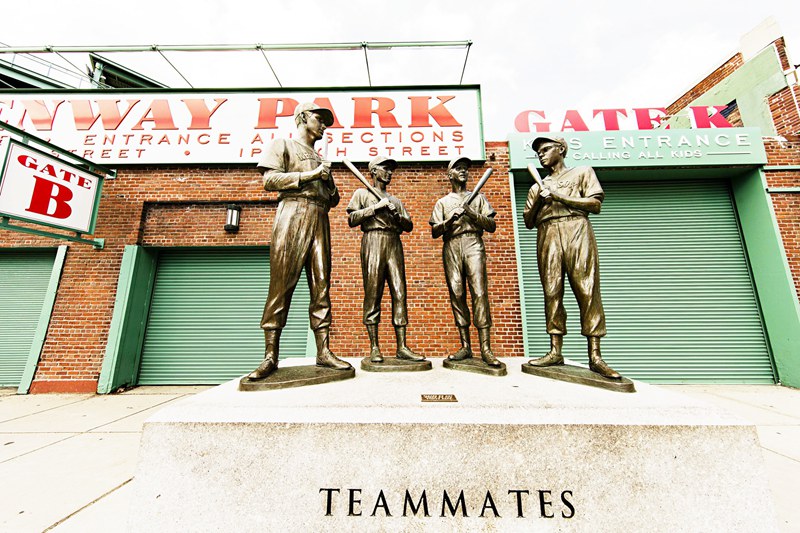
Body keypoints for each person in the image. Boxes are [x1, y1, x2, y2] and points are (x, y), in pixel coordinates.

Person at [248, 102, 352, 379]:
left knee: (322, 285)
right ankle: (270, 356)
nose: (323, 126)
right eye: (319, 119)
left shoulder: (320, 158)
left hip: (319, 215)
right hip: (292, 212)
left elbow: (334, 201)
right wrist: (312, 175)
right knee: (281, 285)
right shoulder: (282, 144)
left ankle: (324, 351)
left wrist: (328, 180)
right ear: (303, 118)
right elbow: (270, 181)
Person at [523, 136, 620, 379]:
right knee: (552, 292)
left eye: (546, 149)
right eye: (538, 153)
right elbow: (528, 221)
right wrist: (540, 200)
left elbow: (595, 205)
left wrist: (558, 197)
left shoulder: (582, 172)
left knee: (587, 290)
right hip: (548, 232)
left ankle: (595, 356)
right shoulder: (537, 186)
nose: (541, 155)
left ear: (561, 149)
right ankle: (555, 350)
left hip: (577, 228)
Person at [346, 155, 425, 363]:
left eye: (391, 170)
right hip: (373, 240)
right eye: (385, 169)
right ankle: (374, 347)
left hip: (393, 242)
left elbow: (409, 225)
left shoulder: (395, 200)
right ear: (373, 171)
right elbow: (352, 219)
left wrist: (397, 215)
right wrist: (376, 208)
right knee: (373, 293)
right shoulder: (361, 193)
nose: (389, 173)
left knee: (400, 292)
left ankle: (402, 346)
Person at [429, 156, 501, 368]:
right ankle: (465, 345)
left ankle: (486, 348)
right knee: (457, 293)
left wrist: (470, 213)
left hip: (473, 243)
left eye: (465, 169)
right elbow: (434, 231)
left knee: (479, 292)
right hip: (451, 244)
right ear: (450, 174)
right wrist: (450, 219)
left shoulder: (478, 198)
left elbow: (491, 225)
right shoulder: (442, 203)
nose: (463, 172)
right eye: (458, 169)